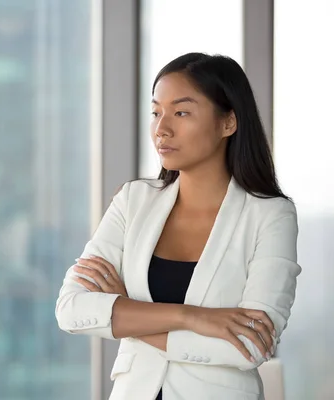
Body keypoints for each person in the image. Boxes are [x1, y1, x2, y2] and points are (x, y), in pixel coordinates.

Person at [55, 53, 301, 400]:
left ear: (228, 123)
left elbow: (250, 344)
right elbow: (71, 310)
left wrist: (129, 313)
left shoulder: (271, 215)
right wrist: (191, 318)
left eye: (181, 112)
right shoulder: (133, 201)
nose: (162, 128)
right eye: (156, 112)